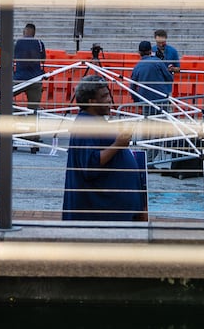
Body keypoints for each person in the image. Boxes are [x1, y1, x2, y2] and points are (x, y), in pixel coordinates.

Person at [62, 77, 146, 222]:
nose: (109, 100)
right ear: (91, 101)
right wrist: (118, 144)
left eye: (109, 95)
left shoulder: (95, 121)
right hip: (101, 215)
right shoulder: (86, 125)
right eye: (104, 96)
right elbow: (89, 166)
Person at [12, 22, 47, 113]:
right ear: (34, 33)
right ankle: (30, 123)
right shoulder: (39, 43)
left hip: (19, 79)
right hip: (35, 80)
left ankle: (17, 113)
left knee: (3, 97)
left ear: (24, 31)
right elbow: (43, 59)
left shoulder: (17, 43)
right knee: (33, 109)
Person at [129, 40, 172, 115]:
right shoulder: (158, 62)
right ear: (150, 50)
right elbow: (169, 78)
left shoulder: (137, 67)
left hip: (146, 102)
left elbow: (132, 88)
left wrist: (138, 101)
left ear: (139, 52)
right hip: (161, 100)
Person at [152, 29, 181, 98]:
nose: (161, 44)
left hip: (167, 85)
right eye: (158, 42)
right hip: (154, 84)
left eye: (162, 42)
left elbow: (178, 68)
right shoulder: (152, 50)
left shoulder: (172, 51)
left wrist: (172, 69)